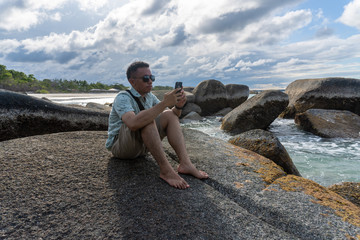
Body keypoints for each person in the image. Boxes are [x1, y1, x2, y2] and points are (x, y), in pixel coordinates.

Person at [106, 61, 208, 189]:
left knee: (169, 115)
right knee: (146, 117)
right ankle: (166, 170)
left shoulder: (150, 96)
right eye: (145, 78)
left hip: (140, 146)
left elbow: (172, 116)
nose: (150, 81)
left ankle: (185, 164)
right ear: (132, 82)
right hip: (121, 147)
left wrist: (178, 106)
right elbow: (132, 123)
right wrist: (165, 103)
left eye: (152, 77)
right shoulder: (123, 97)